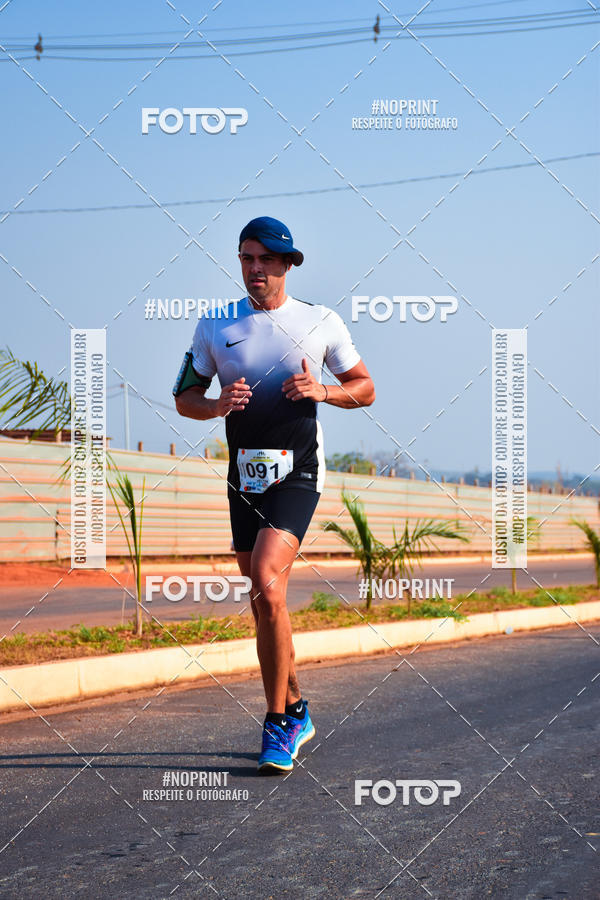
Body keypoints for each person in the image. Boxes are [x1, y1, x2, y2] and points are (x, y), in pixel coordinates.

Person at [174, 216, 375, 773]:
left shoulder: (319, 322)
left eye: (265, 259)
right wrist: (215, 405)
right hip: (244, 475)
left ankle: (279, 724)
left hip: (299, 472)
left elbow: (367, 388)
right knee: (268, 600)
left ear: (288, 264)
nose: (254, 269)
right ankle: (297, 704)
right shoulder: (216, 325)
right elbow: (185, 396)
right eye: (245, 258)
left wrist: (324, 391)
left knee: (265, 579)